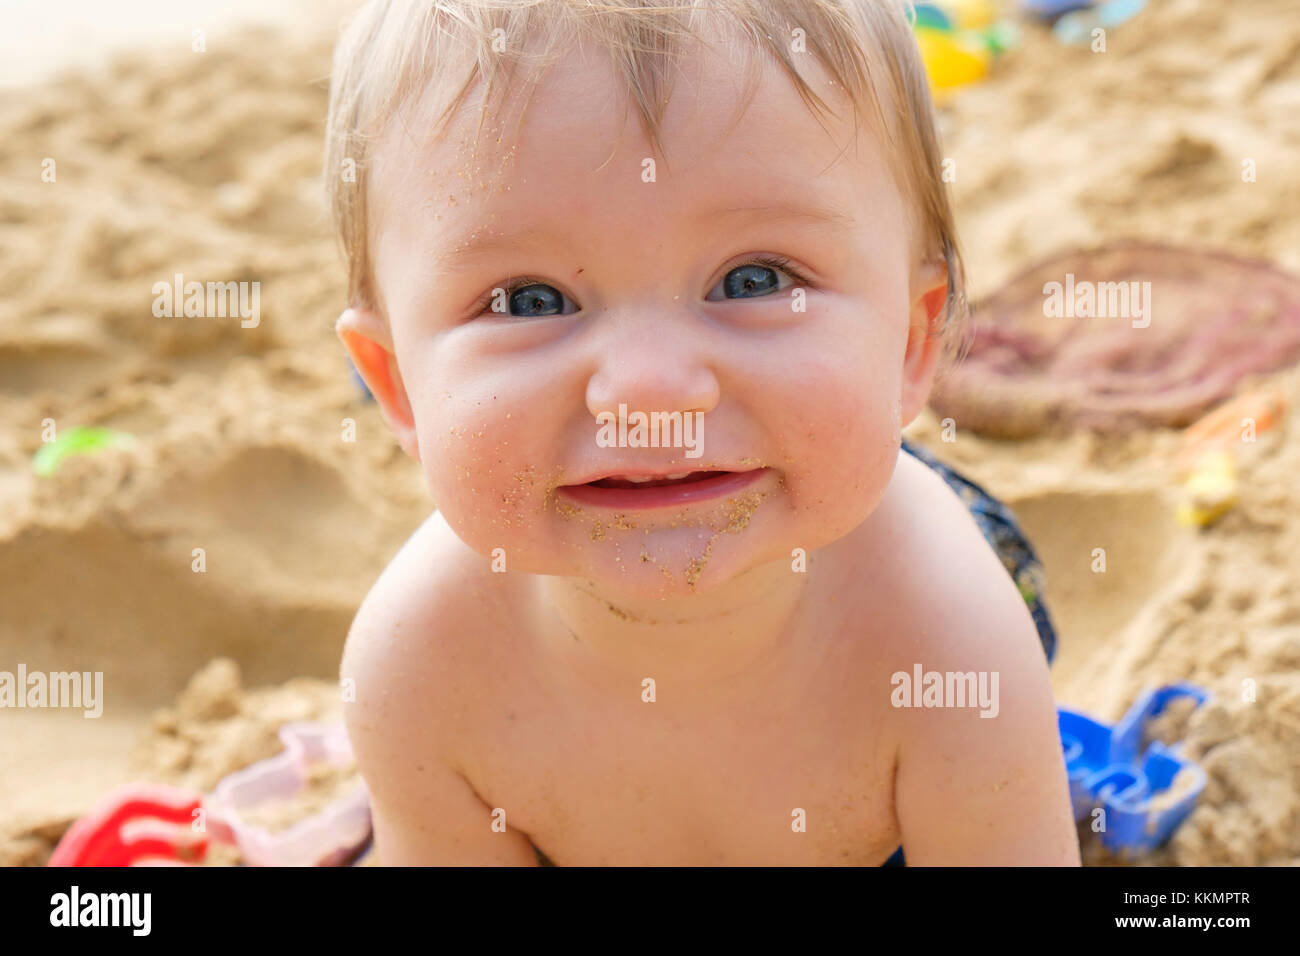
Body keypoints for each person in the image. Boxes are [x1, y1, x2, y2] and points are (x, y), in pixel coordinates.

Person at [326, 0, 1079, 865]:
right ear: (398, 387)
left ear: (912, 340)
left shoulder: (949, 640)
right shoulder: (418, 672)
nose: (651, 389)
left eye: (754, 279)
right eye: (529, 301)